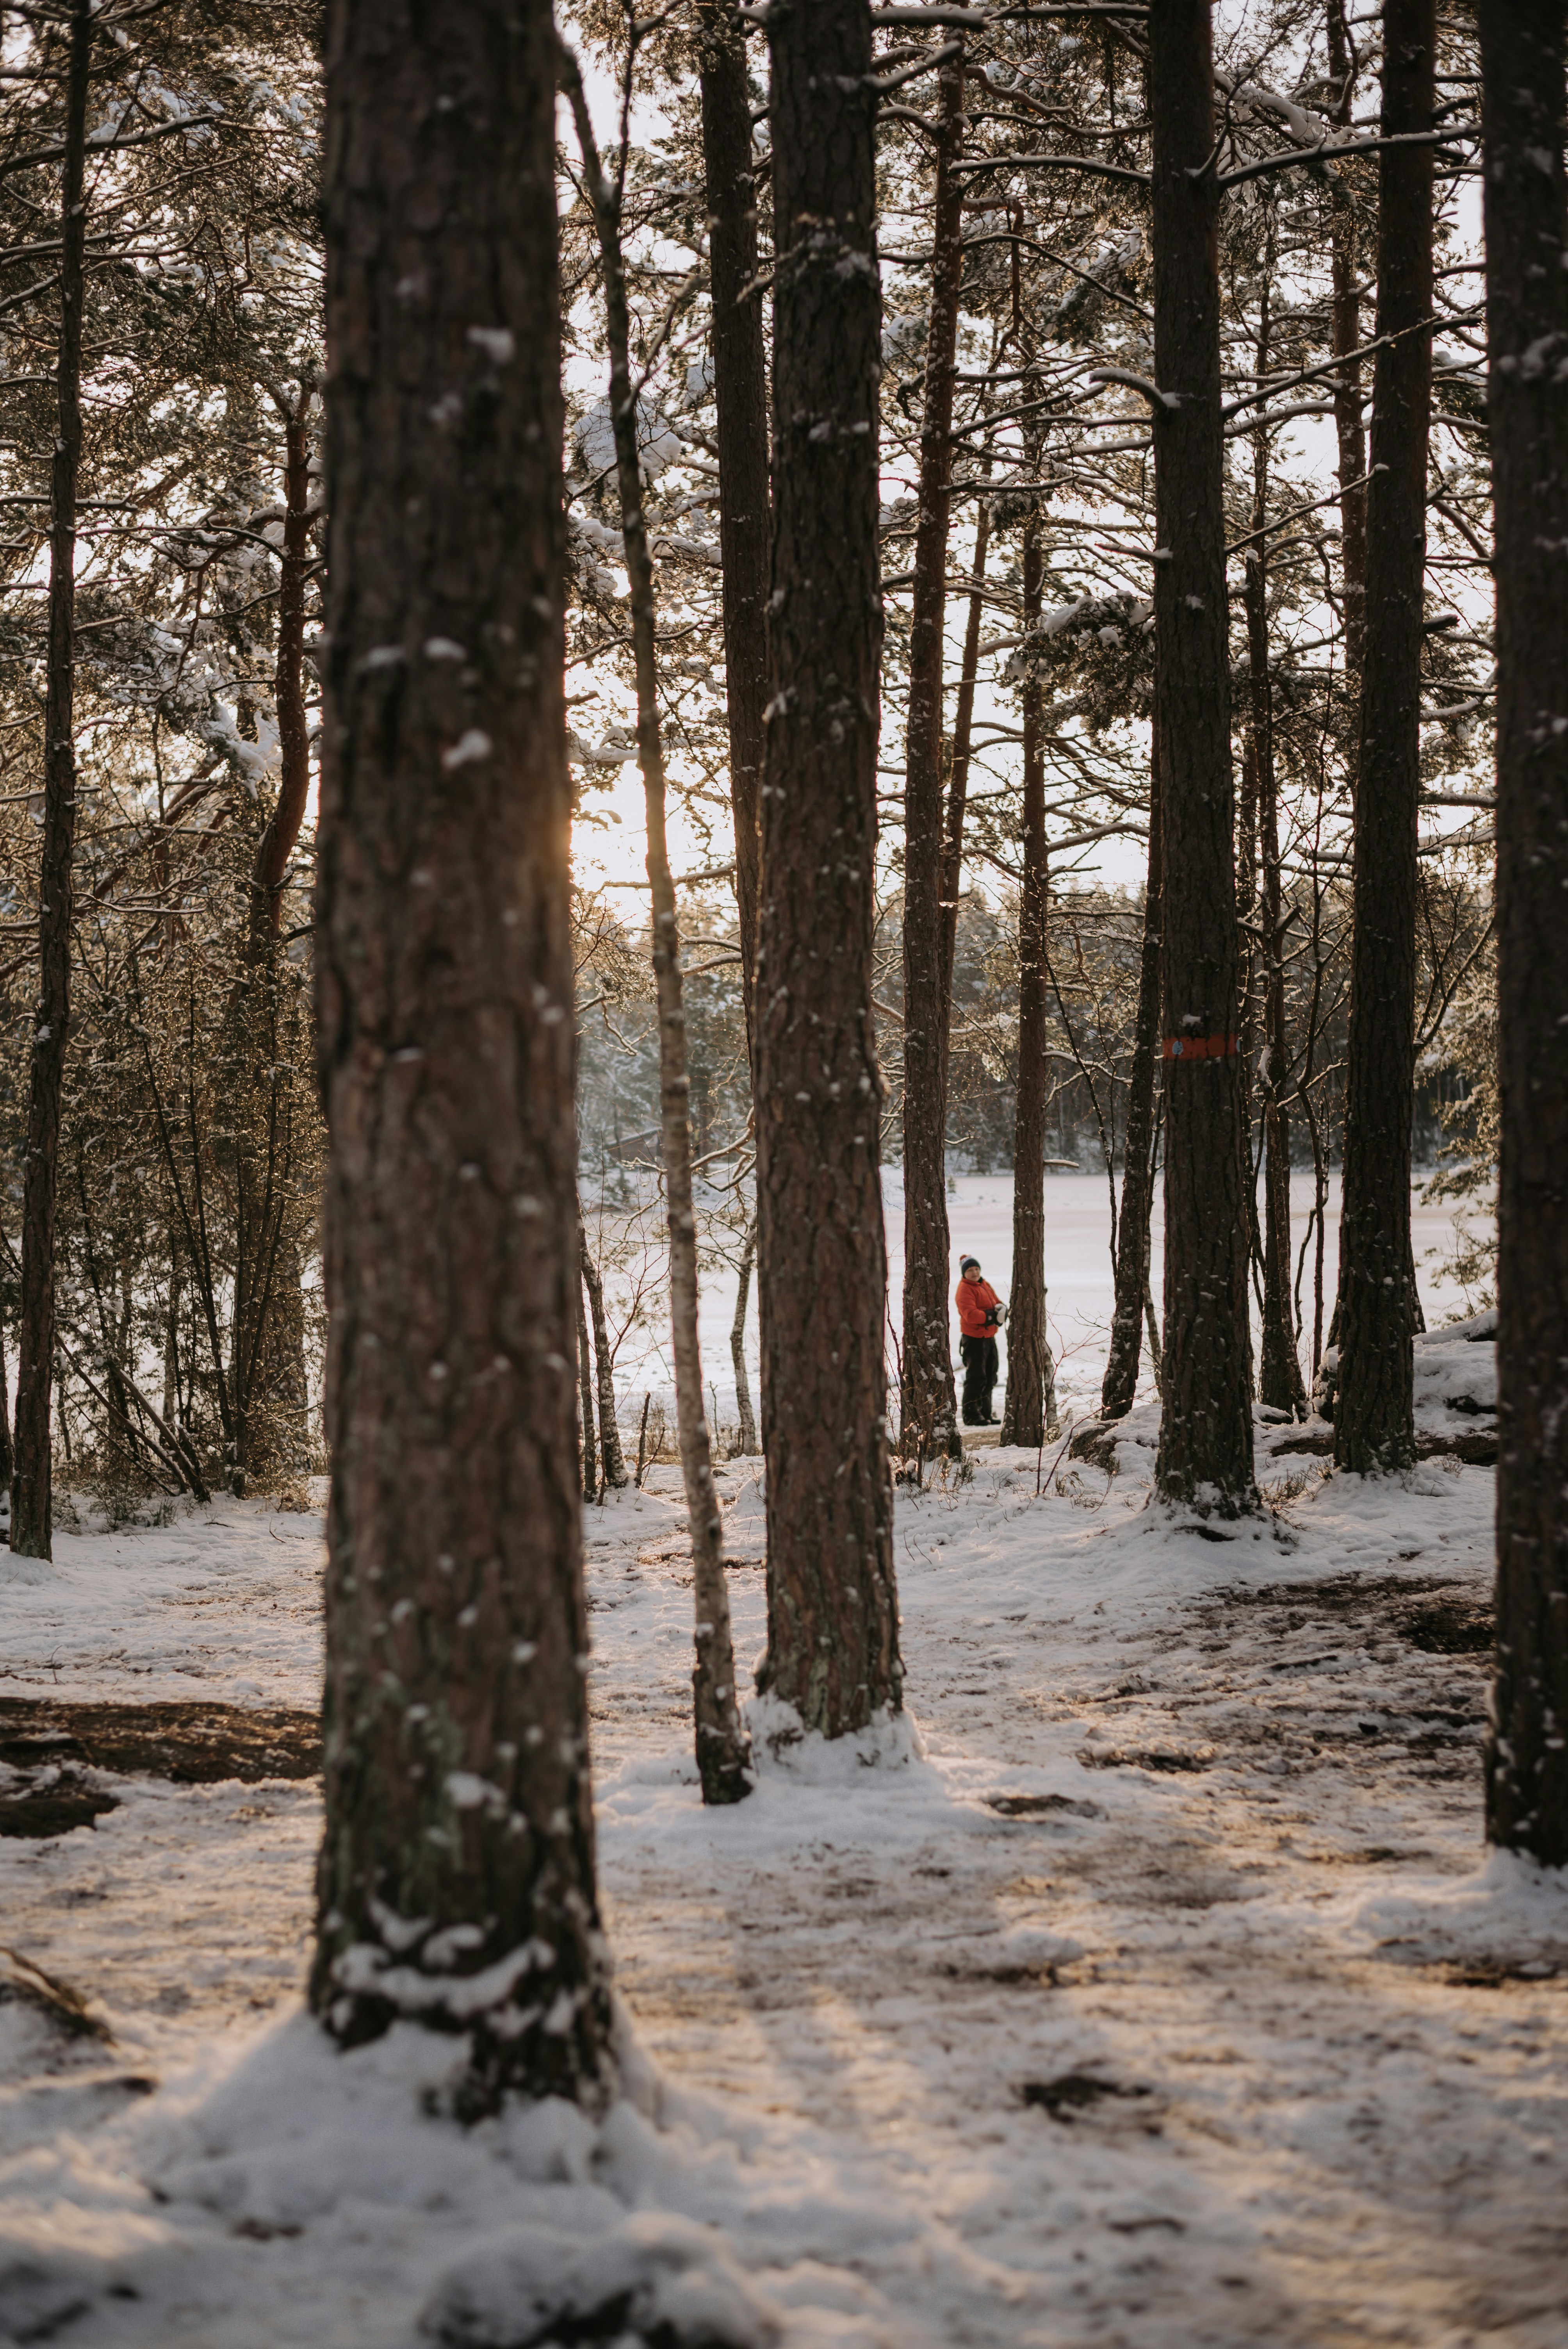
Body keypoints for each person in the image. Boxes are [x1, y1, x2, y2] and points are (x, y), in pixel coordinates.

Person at [955, 1254, 1003, 1426]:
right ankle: (971, 1416)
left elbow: (996, 1303)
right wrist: (992, 1317)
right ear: (964, 1273)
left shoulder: (984, 1284)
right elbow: (971, 1315)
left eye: (976, 1269)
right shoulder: (965, 1289)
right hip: (974, 1339)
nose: (975, 1273)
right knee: (976, 1377)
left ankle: (985, 1414)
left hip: (989, 1338)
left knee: (991, 1377)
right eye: (970, 1270)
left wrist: (1002, 1309)